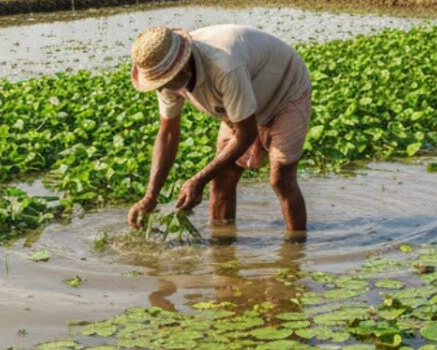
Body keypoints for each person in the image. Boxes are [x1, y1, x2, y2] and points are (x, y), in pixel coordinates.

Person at [126, 24, 312, 235]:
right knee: (222, 178)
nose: (161, 88)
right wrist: (150, 196)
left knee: (281, 179)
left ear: (183, 67)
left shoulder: (224, 64)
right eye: (157, 83)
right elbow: (168, 132)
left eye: (164, 81)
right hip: (242, 100)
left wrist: (198, 180)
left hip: (285, 91)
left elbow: (246, 132)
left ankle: (294, 253)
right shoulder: (166, 78)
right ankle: (222, 250)